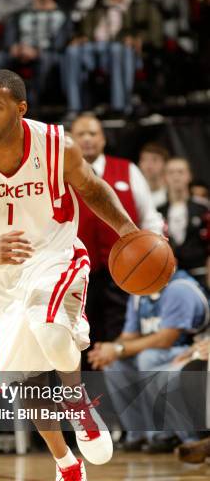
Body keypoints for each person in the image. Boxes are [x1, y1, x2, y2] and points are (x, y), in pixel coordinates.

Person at [0, 68, 146, 481]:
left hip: (51, 253)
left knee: (49, 330)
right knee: (22, 380)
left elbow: (93, 189)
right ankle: (67, 465)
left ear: (21, 109)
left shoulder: (55, 145)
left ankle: (78, 403)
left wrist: (128, 232)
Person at [88, 269, 209, 451]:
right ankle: (140, 434)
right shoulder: (140, 291)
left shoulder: (179, 288)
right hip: (160, 353)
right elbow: (128, 336)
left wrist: (118, 349)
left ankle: (169, 435)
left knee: (148, 358)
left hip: (192, 350)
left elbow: (165, 339)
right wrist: (108, 350)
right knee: (115, 363)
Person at [71, 113, 163, 345]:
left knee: (121, 335)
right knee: (80, 339)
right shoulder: (62, 175)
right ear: (71, 140)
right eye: (81, 134)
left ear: (103, 139)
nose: (87, 139)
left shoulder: (127, 169)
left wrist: (156, 249)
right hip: (78, 273)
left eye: (93, 133)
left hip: (126, 271)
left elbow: (149, 217)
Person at [62, 0, 163, 115]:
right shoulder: (97, 5)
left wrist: (139, 39)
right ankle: (74, 108)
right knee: (72, 51)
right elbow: (84, 29)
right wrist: (81, 38)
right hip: (94, 49)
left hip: (124, 50)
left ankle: (120, 107)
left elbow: (156, 34)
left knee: (117, 50)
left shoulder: (140, 4)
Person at [159, 157, 209, 290]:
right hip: (169, 277)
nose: (176, 176)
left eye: (180, 172)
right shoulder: (157, 212)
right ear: (165, 177)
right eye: (171, 172)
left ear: (189, 176)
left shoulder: (203, 209)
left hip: (199, 276)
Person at [138, 142, 170, 209]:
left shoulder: (172, 193)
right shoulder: (134, 192)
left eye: (154, 160)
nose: (148, 164)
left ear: (166, 164)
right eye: (144, 160)